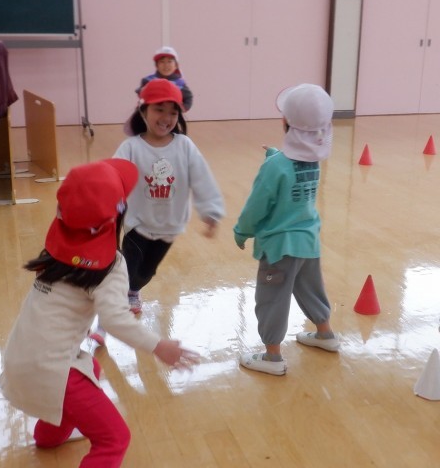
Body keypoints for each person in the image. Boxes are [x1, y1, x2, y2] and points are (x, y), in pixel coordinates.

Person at [0, 158, 200, 468]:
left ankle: (48, 436)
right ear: (117, 216)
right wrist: (159, 345)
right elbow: (116, 319)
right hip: (51, 370)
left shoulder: (56, 247)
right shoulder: (111, 265)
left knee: (91, 367)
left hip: (20, 357)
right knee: (113, 439)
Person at [89, 79, 224, 346]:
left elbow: (202, 178)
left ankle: (134, 291)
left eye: (173, 112)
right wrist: (101, 209)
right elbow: (112, 178)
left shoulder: (184, 146)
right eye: (159, 110)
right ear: (143, 111)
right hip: (137, 224)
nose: (166, 118)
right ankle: (102, 325)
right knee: (122, 273)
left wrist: (210, 211)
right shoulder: (131, 147)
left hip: (170, 226)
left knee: (145, 274)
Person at [233, 83, 339, 376]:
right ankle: (325, 334)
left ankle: (272, 357)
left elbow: (257, 205)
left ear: (285, 121)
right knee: (311, 288)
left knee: (272, 299)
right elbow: (293, 169)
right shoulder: (314, 160)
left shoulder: (275, 167)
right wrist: (275, 155)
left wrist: (242, 230)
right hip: (308, 241)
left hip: (279, 249)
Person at [136, 46, 193, 112]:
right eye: (162, 62)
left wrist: (182, 109)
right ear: (156, 65)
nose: (166, 65)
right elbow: (141, 94)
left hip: (170, 114)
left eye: (169, 61)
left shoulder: (180, 84)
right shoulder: (149, 80)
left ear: (176, 65)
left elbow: (188, 97)